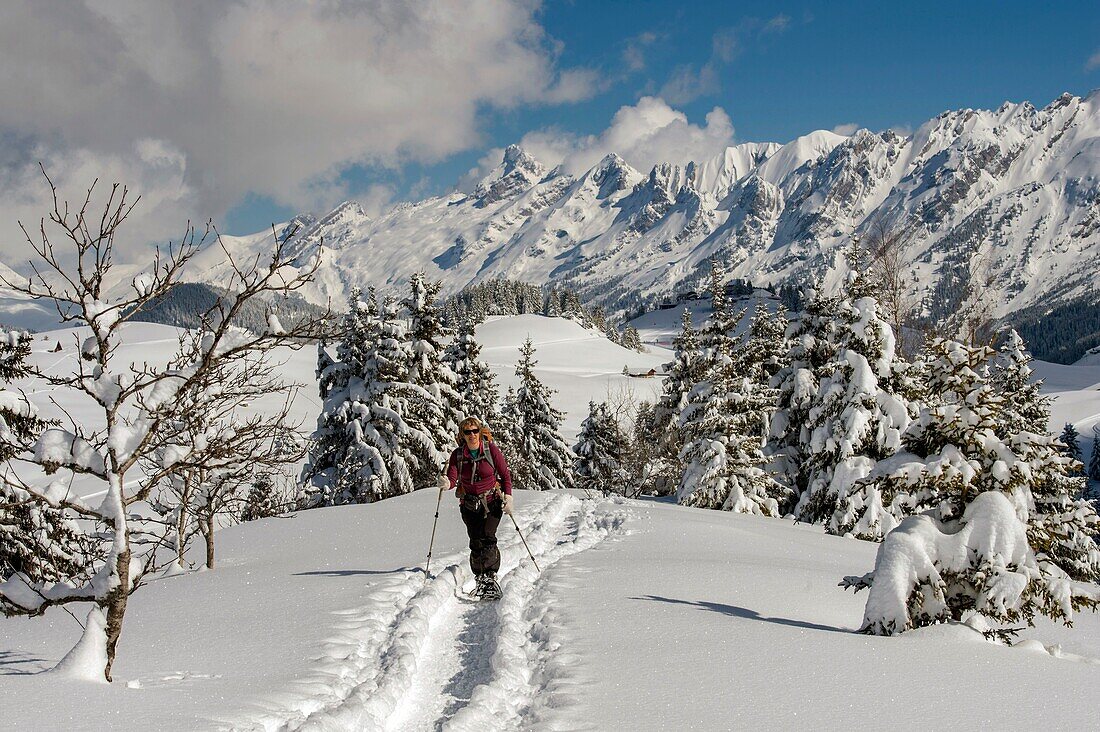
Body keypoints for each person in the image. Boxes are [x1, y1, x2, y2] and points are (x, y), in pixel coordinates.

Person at [444, 416, 513, 599]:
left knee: (488, 536)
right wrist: (445, 484)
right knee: (475, 539)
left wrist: (509, 497)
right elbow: (452, 478)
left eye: (475, 431)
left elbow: (505, 475)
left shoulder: (491, 451)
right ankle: (480, 577)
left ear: (480, 432)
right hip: (469, 503)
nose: (472, 435)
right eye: (468, 432)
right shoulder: (458, 455)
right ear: (463, 435)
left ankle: (490, 576)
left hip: (492, 501)